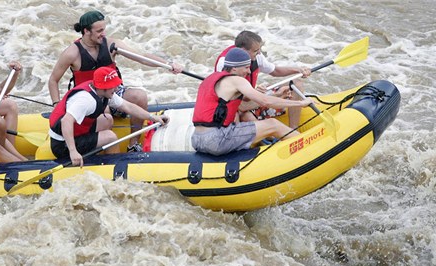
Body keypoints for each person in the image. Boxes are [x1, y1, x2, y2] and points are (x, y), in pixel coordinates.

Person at [48, 10, 183, 152]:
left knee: (140, 96)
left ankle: (133, 144)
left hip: (112, 91)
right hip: (90, 96)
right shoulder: (72, 53)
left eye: (104, 29)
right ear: (86, 31)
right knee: (105, 115)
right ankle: (102, 148)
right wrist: (57, 105)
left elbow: (142, 57)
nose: (103, 34)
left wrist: (168, 65)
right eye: (99, 31)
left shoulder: (111, 45)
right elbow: (53, 80)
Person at [191, 48, 313, 156]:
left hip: (197, 139)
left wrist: (277, 94)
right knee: (272, 124)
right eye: (245, 67)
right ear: (234, 68)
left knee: (247, 119)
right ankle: (309, 149)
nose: (249, 71)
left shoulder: (210, 79)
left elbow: (245, 105)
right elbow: (265, 101)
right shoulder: (236, 80)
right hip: (216, 139)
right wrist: (301, 103)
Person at [49, 66, 169, 167]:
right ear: (102, 87)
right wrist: (73, 151)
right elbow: (66, 121)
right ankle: (113, 166)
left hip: (77, 132)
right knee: (111, 137)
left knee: (107, 120)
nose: (117, 88)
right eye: (113, 85)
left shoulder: (103, 92)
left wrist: (153, 118)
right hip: (62, 144)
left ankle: (99, 155)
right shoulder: (86, 100)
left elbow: (128, 107)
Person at [215, 31, 311, 129]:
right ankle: (270, 138)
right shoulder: (226, 63)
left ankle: (293, 129)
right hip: (237, 103)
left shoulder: (257, 55)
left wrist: (297, 70)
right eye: (256, 50)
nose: (259, 53)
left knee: (296, 84)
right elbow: (237, 103)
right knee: (246, 116)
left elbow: (275, 71)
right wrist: (273, 95)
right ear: (243, 50)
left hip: (252, 96)